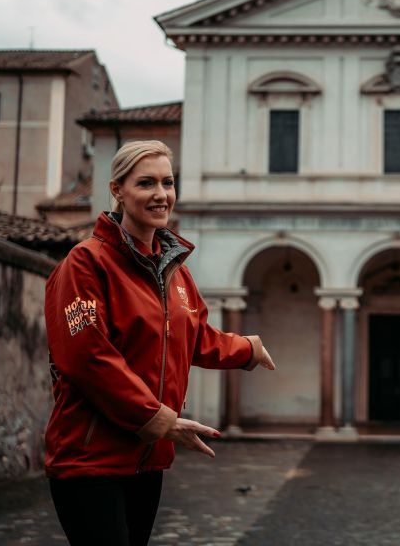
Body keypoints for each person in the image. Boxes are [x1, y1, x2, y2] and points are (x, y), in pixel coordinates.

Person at [44, 140, 275, 545]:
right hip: (90, 457)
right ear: (117, 190)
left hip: (147, 459)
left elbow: (195, 335)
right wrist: (159, 419)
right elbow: (87, 357)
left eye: (168, 182)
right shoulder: (86, 262)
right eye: (146, 183)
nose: (161, 194)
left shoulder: (174, 271)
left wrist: (247, 349)